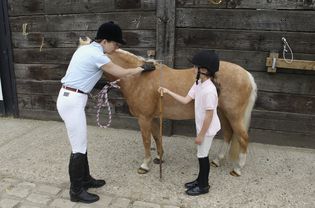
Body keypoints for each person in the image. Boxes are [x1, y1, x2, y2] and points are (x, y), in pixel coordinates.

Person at [56, 21, 155, 203]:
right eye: (115, 44)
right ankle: (76, 191)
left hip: (71, 97)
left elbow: (83, 75)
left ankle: (85, 180)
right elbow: (120, 72)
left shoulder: (85, 50)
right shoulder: (97, 54)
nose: (116, 47)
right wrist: (142, 68)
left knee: (82, 144)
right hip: (72, 101)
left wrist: (101, 84)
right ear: (105, 41)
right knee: (78, 148)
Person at [158, 50, 220, 196]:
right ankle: (199, 180)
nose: (193, 69)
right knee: (200, 154)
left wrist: (201, 135)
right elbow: (186, 100)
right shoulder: (198, 83)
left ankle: (204, 186)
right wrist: (167, 91)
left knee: (203, 156)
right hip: (202, 127)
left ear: (204, 70)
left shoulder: (210, 90)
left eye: (195, 66)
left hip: (208, 129)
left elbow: (209, 116)